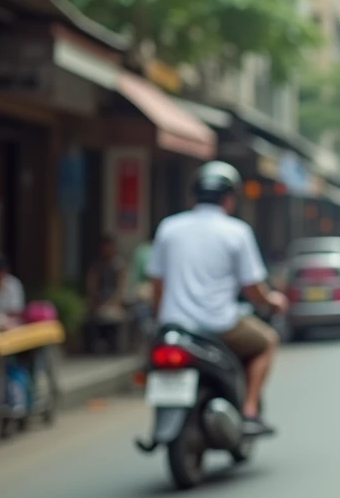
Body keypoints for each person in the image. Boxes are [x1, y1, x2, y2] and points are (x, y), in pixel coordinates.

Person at [146, 161, 288, 436]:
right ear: (229, 198)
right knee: (267, 341)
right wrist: (271, 301)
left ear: (193, 196)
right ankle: (249, 411)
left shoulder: (168, 228)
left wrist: (160, 318)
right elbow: (253, 287)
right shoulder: (236, 231)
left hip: (174, 326)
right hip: (220, 324)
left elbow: (157, 284)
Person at [83, 235, 128, 353]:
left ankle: (113, 347)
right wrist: (95, 300)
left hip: (114, 302)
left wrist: (113, 302)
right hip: (99, 301)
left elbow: (120, 287)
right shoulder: (97, 265)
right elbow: (91, 285)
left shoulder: (119, 264)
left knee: (113, 318)